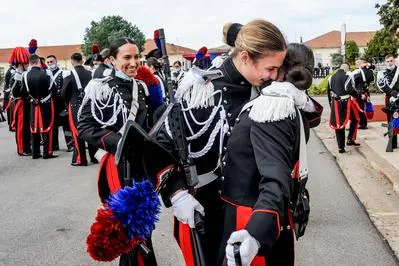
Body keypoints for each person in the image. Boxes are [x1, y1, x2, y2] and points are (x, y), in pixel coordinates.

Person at [155, 19, 287, 266]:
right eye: (270, 68)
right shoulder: (200, 89)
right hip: (203, 209)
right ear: (245, 57)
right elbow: (162, 146)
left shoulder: (272, 91)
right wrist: (177, 192)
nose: (275, 76)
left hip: (254, 209)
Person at [219, 43, 318, 266]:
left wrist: (254, 233)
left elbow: (275, 177)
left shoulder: (272, 106)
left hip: (251, 214)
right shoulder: (294, 101)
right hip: (275, 214)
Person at [78, 37, 163, 265]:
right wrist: (119, 141)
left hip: (142, 167)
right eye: (127, 57)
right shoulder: (100, 88)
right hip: (118, 166)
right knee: (128, 231)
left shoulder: (142, 88)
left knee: (144, 228)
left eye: (136, 57)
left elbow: (151, 125)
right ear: (113, 60)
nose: (134, 62)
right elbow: (84, 126)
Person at [61, 53, 96, 166]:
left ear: (72, 61)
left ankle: (81, 159)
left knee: (77, 132)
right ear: (82, 60)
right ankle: (94, 156)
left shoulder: (69, 74)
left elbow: (64, 93)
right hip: (90, 105)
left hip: (75, 105)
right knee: (90, 129)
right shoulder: (90, 73)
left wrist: (69, 102)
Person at [22, 54, 58, 159]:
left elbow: (24, 91)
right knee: (47, 128)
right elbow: (54, 90)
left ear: (29, 63)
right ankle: (47, 152)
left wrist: (33, 99)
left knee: (34, 128)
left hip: (33, 104)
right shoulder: (47, 73)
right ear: (39, 62)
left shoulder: (25, 75)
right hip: (46, 104)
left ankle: (35, 153)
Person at [46, 55, 73, 151]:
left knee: (66, 125)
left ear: (56, 61)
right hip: (51, 104)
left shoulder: (63, 73)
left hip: (62, 104)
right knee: (53, 126)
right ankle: (54, 145)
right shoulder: (46, 74)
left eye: (51, 61)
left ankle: (70, 144)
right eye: (48, 62)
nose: (50, 64)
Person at [377, 54, 399, 148]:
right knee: (390, 120)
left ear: (394, 61)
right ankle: (392, 142)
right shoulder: (381, 73)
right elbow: (381, 86)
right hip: (389, 97)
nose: (390, 63)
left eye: (391, 61)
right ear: (385, 62)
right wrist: (392, 92)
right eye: (388, 61)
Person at [11, 62, 32, 156]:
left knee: (27, 127)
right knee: (21, 127)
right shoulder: (16, 76)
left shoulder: (24, 74)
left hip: (27, 104)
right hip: (21, 104)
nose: (27, 66)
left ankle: (27, 147)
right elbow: (15, 92)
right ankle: (22, 148)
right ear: (20, 66)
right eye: (25, 64)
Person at [351, 59, 374, 129]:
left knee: (359, 108)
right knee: (362, 108)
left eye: (358, 63)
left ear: (362, 63)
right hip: (366, 92)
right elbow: (372, 78)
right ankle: (361, 123)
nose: (356, 64)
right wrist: (368, 65)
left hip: (359, 92)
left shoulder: (357, 72)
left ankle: (362, 124)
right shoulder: (370, 71)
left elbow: (353, 82)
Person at [3, 65, 16, 131]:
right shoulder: (11, 71)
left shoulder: (10, 70)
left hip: (9, 93)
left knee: (11, 112)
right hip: (10, 94)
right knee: (11, 112)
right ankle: (12, 126)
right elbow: (9, 84)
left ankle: (11, 126)